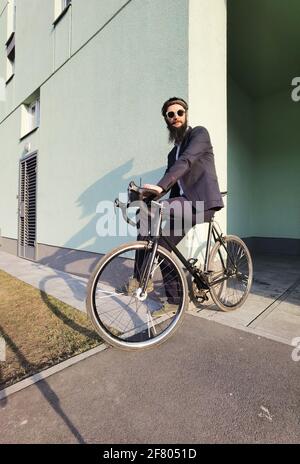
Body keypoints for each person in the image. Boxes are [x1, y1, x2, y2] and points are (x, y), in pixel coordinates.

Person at [133, 97, 224, 314]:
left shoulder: (199, 134)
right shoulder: (172, 153)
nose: (176, 117)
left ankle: (140, 278)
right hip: (183, 204)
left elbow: (187, 162)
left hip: (202, 202)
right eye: (170, 115)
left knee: (152, 212)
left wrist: (158, 192)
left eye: (179, 112)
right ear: (166, 119)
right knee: (156, 235)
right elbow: (168, 179)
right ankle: (170, 299)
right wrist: (148, 195)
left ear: (186, 114)